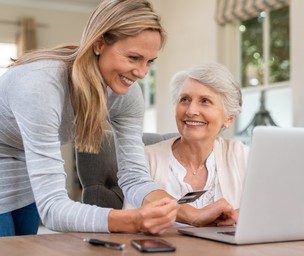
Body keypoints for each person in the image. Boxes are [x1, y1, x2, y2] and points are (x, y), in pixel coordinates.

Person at [0, 0, 182, 237]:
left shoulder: (126, 94)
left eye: (149, 61)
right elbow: (53, 210)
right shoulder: (40, 85)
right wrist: (131, 220)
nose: (142, 73)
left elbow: (135, 177)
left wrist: (189, 213)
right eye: (133, 57)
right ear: (99, 44)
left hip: (24, 167)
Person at [142, 63, 249, 224]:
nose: (191, 110)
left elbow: (273, 205)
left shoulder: (243, 156)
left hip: (227, 249)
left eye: (205, 101)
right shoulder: (146, 158)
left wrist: (242, 215)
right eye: (184, 99)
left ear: (229, 118)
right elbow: (132, 220)